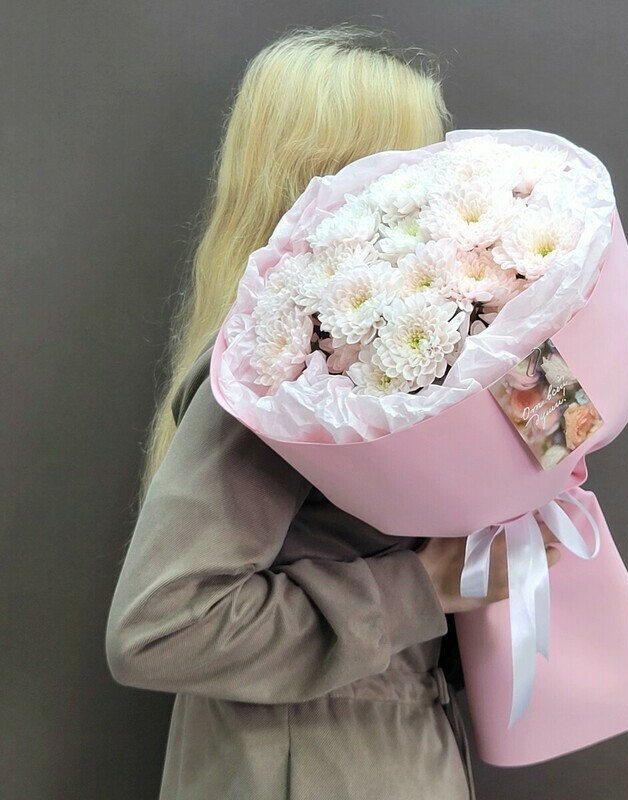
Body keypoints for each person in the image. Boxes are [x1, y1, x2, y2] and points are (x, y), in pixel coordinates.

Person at [105, 24, 562, 800]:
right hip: (312, 761)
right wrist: (420, 587)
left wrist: (549, 414)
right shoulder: (275, 375)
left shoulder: (400, 349)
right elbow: (161, 627)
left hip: (387, 743)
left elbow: (554, 459)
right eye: (417, 156)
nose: (440, 181)